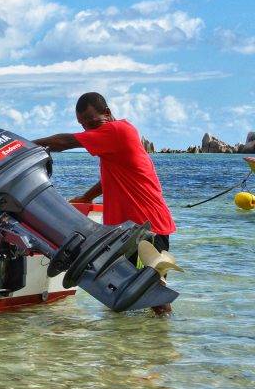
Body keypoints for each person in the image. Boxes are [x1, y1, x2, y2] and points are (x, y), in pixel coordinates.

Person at [32, 91, 177, 315]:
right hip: (128, 231)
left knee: (154, 294)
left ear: (107, 113)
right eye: (84, 126)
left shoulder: (117, 130)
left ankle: (163, 342)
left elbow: (65, 141)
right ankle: (132, 346)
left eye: (93, 123)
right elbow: (112, 176)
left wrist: (21, 146)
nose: (90, 131)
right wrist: (87, 197)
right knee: (120, 292)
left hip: (147, 229)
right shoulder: (111, 138)